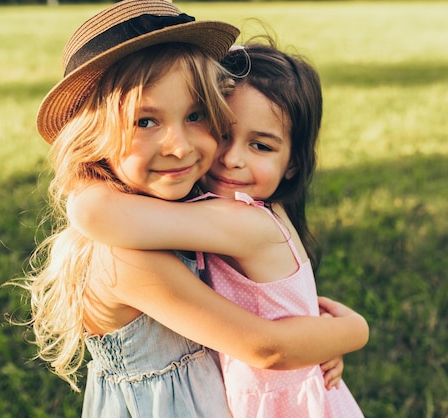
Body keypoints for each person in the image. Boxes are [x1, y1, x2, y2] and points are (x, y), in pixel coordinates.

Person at [20, 1, 368, 416]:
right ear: (91, 135)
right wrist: (348, 331)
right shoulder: (126, 257)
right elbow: (267, 346)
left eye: (197, 115)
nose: (181, 147)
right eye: (145, 121)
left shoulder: (188, 213)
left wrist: (315, 343)